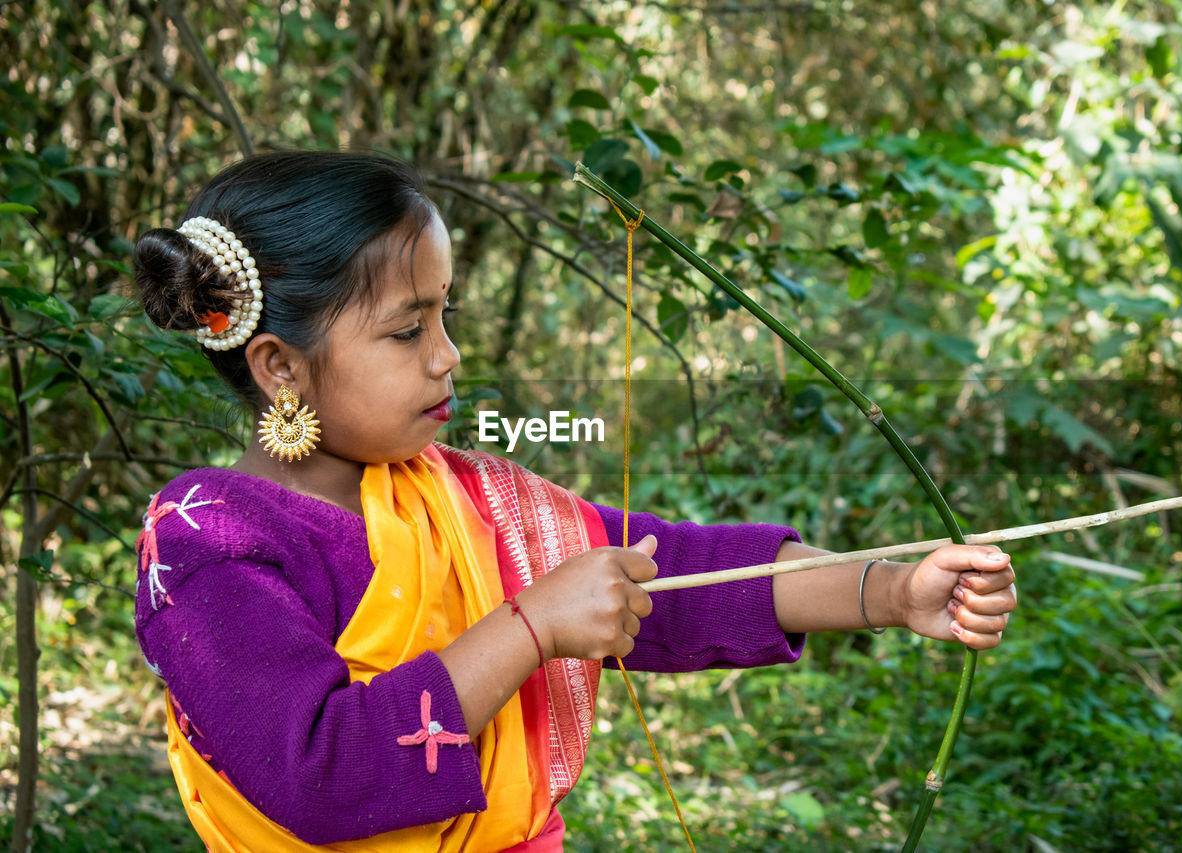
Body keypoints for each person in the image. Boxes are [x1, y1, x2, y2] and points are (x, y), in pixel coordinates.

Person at [131, 151, 1017, 852]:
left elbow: (679, 575)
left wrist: (892, 590)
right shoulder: (209, 542)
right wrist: (530, 627)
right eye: (407, 330)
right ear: (280, 365)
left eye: (446, 314)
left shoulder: (472, 496)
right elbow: (322, 769)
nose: (448, 356)